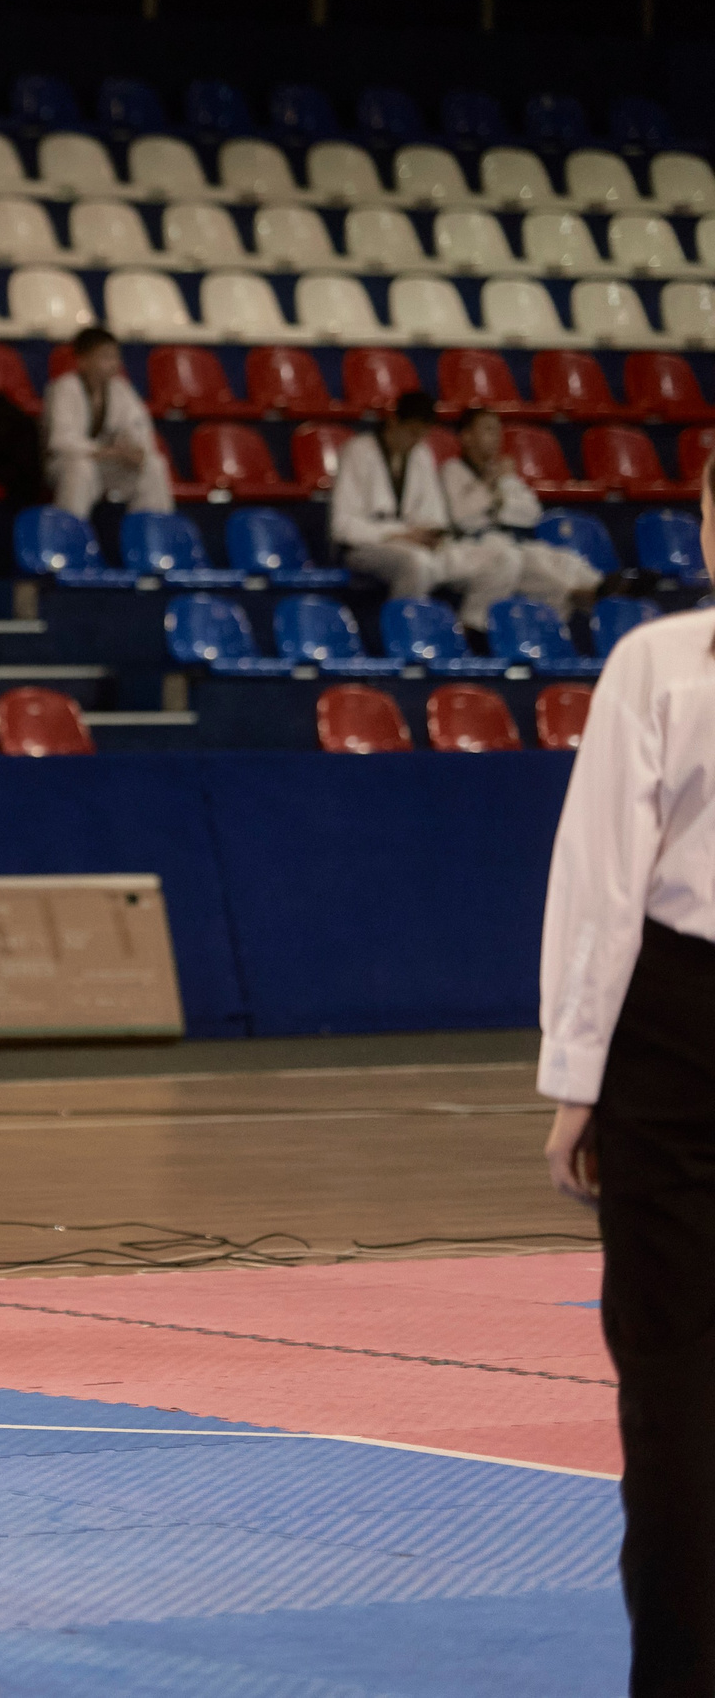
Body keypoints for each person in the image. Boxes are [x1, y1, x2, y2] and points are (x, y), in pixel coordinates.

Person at [540, 452, 715, 1696]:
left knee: (674, 1378)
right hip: (677, 1019)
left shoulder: (660, 661)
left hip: (678, 1031)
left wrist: (575, 1075)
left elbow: (604, 877)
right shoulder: (662, 660)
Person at [329, 390, 521, 631]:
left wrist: (429, 533)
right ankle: (404, 634)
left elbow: (435, 515)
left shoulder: (421, 453)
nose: (415, 440)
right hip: (366, 548)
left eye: (422, 433)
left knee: (504, 559)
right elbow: (343, 526)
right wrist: (398, 535)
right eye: (411, 432)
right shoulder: (358, 451)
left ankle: (473, 629)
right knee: (418, 564)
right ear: (393, 422)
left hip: (418, 545)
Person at [442, 407, 603, 621]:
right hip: (476, 545)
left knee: (566, 560)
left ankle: (606, 592)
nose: (497, 438)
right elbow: (463, 518)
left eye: (498, 431)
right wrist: (492, 488)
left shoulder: (504, 473)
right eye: (488, 430)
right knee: (544, 574)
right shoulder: (451, 470)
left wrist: (506, 483)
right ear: (467, 436)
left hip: (511, 541)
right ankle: (475, 629)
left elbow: (530, 514)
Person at [43, 327, 172, 520]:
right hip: (65, 464)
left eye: (115, 357)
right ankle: (70, 535)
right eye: (105, 357)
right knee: (81, 468)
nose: (114, 364)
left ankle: (151, 534)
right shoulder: (64, 388)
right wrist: (106, 451)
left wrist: (136, 450)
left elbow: (139, 428)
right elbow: (61, 442)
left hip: (107, 466)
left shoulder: (122, 389)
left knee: (154, 465)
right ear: (83, 360)